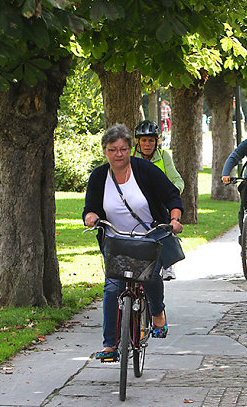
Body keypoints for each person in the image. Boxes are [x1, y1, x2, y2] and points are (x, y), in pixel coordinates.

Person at [83, 123, 183, 361]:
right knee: (111, 288)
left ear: (130, 149)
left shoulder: (145, 169)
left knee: (150, 277)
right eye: (113, 149)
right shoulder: (99, 176)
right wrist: (91, 218)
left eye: (123, 149)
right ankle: (110, 346)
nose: (119, 154)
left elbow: (171, 195)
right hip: (115, 239)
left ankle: (157, 312)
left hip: (148, 235)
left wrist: (175, 218)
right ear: (105, 152)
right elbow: (90, 208)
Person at [133, 120, 184, 280]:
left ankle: (168, 264)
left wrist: (169, 194)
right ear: (138, 142)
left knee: (164, 226)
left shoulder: (163, 156)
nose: (147, 144)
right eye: (144, 140)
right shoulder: (129, 156)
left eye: (151, 140)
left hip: (158, 205)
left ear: (156, 142)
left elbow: (177, 180)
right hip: (134, 203)